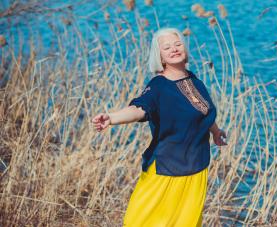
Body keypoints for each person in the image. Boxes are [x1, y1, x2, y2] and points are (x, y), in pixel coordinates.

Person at [92, 27, 227, 226]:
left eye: (178, 44)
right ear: (160, 56)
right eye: (167, 47)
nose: (174, 49)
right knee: (139, 221)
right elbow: (139, 109)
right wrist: (111, 118)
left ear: (185, 48)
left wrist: (215, 131)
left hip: (196, 167)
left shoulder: (193, 80)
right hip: (166, 167)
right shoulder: (158, 85)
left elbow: (202, 111)